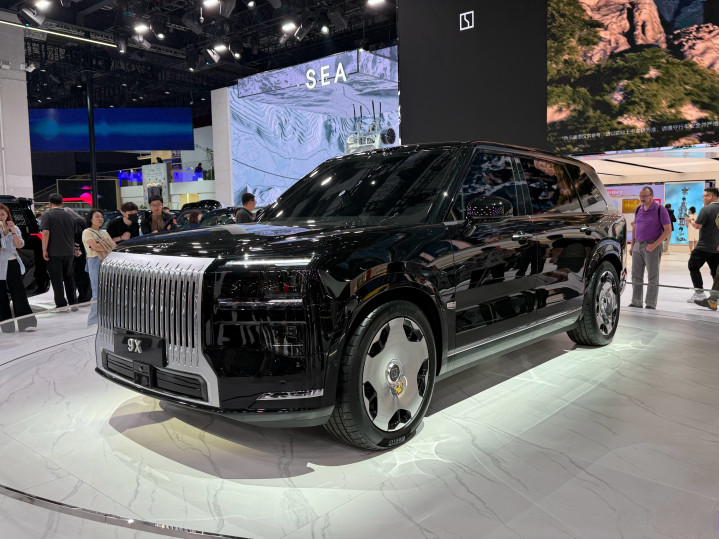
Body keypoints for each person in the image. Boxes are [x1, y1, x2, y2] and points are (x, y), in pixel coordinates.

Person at [629, 186, 672, 309]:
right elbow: (635, 227)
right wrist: (632, 245)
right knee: (636, 275)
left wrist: (654, 245)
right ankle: (636, 302)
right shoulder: (638, 209)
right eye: (641, 196)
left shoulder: (660, 209)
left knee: (652, 277)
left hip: (652, 245)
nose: (642, 198)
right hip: (638, 245)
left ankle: (650, 304)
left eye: (645, 196)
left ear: (652, 196)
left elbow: (668, 229)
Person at [0, 203, 37, 332]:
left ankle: (26, 323)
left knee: (19, 292)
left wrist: (13, 231)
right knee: (1, 294)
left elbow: (20, 245)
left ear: (7, 215)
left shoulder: (14, 227)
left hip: (12, 262)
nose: (1, 216)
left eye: (3, 214)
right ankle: (7, 326)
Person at [40, 194, 79, 310]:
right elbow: (73, 234)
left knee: (57, 279)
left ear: (50, 204)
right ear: (62, 203)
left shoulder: (48, 215)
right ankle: (73, 302)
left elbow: (45, 233)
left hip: (54, 252)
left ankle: (61, 304)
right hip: (69, 251)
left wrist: (44, 249)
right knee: (69, 277)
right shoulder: (70, 216)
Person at [687, 187, 719, 303]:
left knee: (693, 266)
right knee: (715, 272)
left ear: (710, 196)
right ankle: (716, 296)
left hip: (704, 247)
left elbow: (697, 226)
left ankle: (699, 293)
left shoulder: (706, 209)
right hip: (716, 248)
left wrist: (690, 220)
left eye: (704, 196)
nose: (703, 199)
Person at [82, 209, 112, 326]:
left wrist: (102, 245)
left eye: (101, 217)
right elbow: (95, 246)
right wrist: (106, 245)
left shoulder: (104, 232)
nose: (100, 219)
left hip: (107, 261)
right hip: (94, 261)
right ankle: (93, 320)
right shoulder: (87, 232)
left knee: (109, 291)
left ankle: (107, 318)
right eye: (97, 217)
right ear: (91, 219)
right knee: (97, 292)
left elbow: (112, 246)